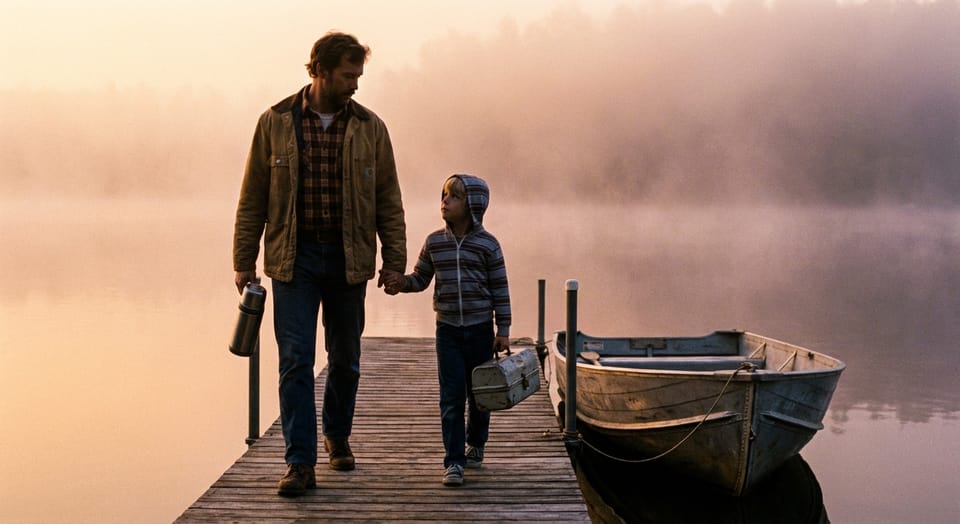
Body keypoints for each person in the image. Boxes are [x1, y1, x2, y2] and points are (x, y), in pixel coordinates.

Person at [233, 32, 406, 497]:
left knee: (346, 360)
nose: (355, 85)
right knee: (295, 362)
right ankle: (299, 463)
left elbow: (388, 199)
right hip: (294, 260)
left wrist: (395, 260)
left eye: (358, 76)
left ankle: (337, 435)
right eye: (348, 75)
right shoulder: (274, 122)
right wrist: (243, 260)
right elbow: (252, 198)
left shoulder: (372, 128)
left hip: (349, 259)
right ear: (320, 71)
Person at [382, 174, 511, 487]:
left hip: (481, 330)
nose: (445, 202)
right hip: (448, 332)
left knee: (479, 394)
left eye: (453, 197)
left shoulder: (488, 245)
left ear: (473, 206)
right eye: (443, 195)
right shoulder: (434, 242)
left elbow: (500, 289)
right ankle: (454, 461)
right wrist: (401, 284)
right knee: (451, 396)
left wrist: (503, 328)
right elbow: (420, 279)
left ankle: (476, 442)